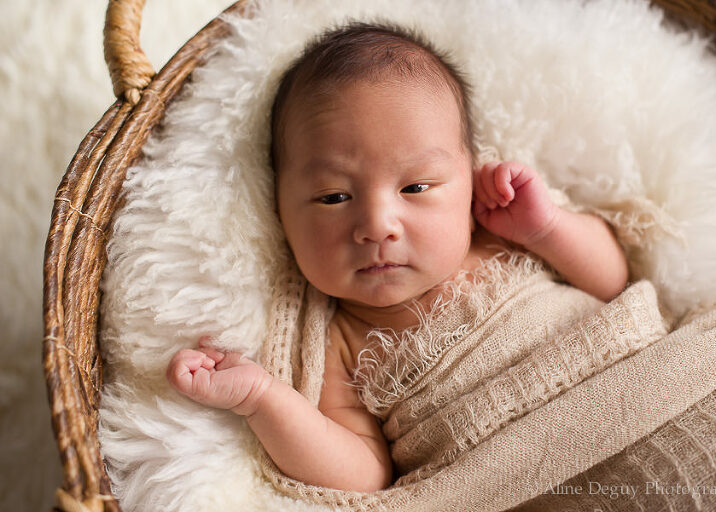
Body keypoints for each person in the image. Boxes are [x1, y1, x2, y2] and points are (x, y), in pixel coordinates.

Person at [166, 22, 628, 493]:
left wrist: (547, 228)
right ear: (279, 215)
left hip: (639, 387)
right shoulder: (341, 345)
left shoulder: (502, 239)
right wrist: (261, 398)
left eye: (415, 187)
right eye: (333, 197)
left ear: (468, 186)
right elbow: (366, 474)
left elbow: (614, 282)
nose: (377, 225)